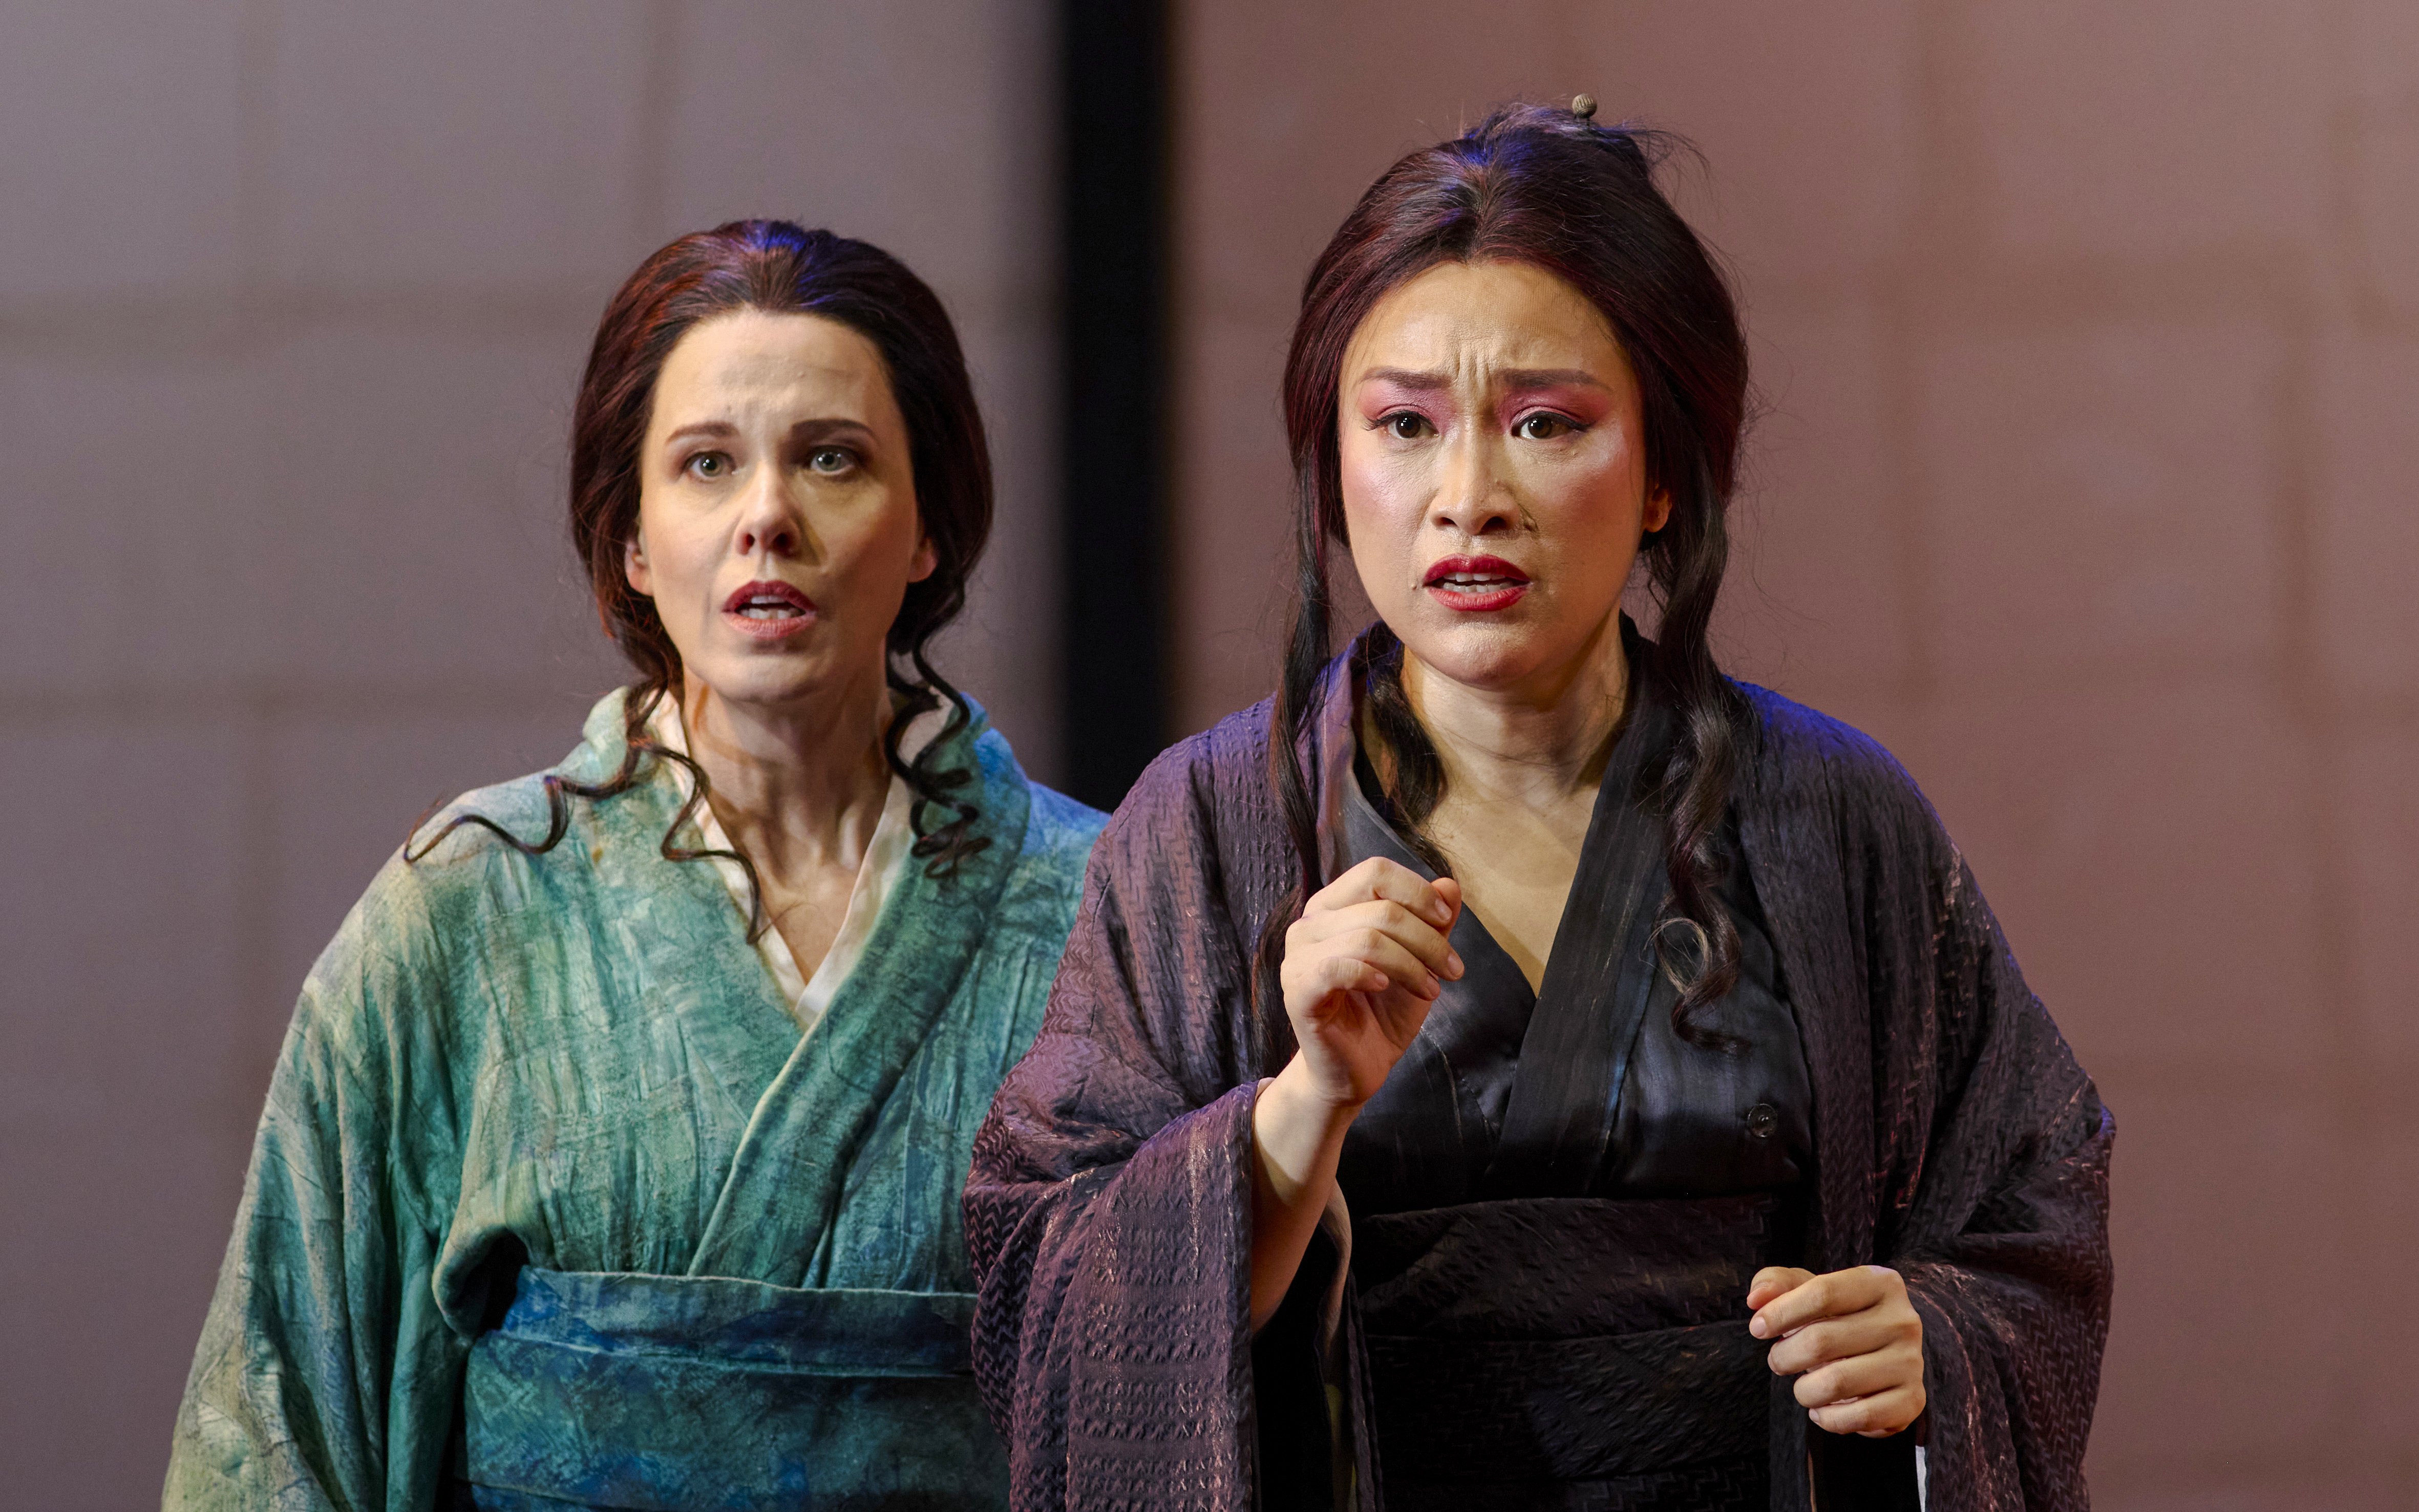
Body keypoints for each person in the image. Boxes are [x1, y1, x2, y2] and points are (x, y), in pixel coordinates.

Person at [964, 103, 2111, 1511]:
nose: (1469, 497)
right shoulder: (1206, 828)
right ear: (1332, 467)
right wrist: (1302, 1106)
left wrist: (1934, 1332)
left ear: (1664, 474)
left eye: (1545, 425)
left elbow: (2031, 1192)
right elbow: (1042, 1273)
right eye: (1404, 425)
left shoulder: (1829, 814)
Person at [166, 220, 1105, 1511]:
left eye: (831, 459)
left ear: (929, 525)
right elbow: (274, 1432)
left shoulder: (1102, 906)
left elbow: (1202, 1394)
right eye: (707, 464)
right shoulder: (472, 905)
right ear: (633, 542)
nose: (767, 518)